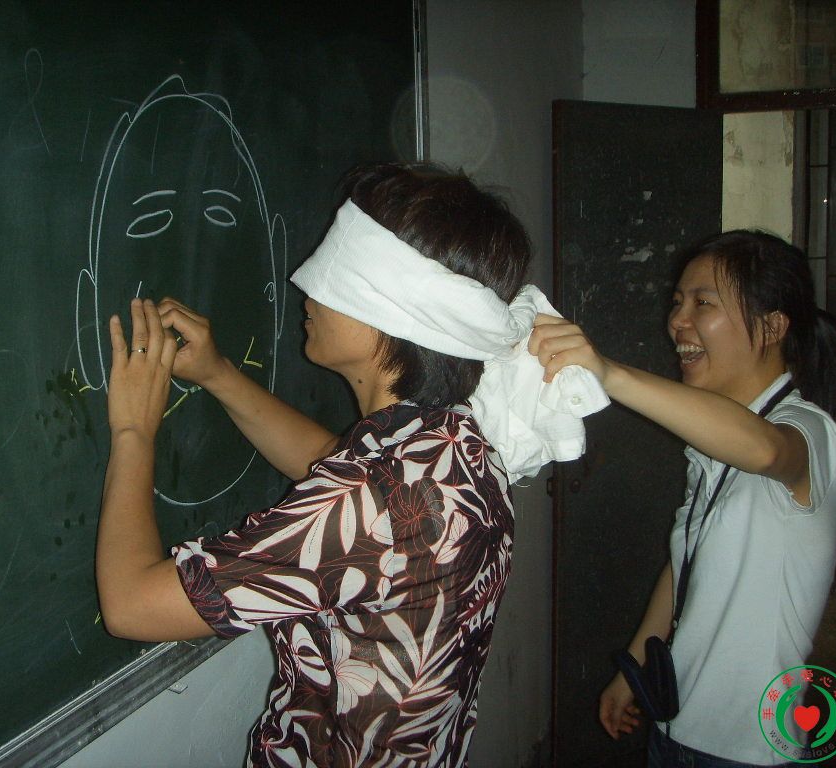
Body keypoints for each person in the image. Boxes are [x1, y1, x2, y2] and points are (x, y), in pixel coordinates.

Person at [94, 162, 606, 766]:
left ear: (389, 312)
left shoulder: (369, 501)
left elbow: (130, 605)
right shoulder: (457, 444)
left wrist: (133, 429)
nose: (305, 289)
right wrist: (219, 375)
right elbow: (332, 467)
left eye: (332, 276)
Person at [530, 230, 836, 767]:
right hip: (679, 728)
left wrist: (608, 372)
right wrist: (632, 668)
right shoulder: (709, 447)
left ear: (773, 326)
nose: (677, 320)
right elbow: (684, 564)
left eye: (703, 303)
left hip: (749, 748)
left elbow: (766, 451)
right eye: (677, 302)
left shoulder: (810, 431)